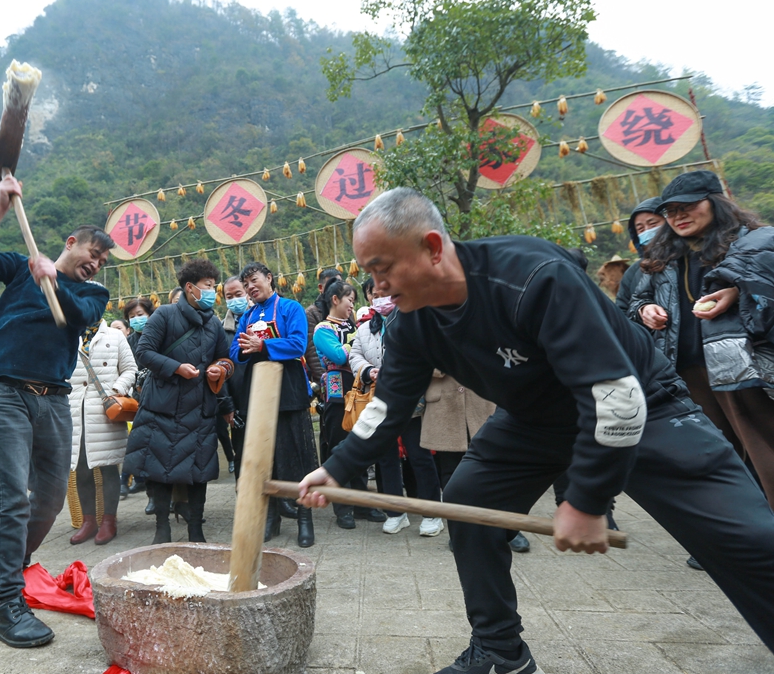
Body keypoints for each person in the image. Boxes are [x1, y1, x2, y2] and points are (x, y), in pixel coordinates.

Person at [298, 187, 774, 673]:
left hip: (644, 405)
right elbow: (387, 407)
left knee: (750, 541)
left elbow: (616, 398)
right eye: (369, 273)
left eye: (383, 268)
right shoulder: (411, 323)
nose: (376, 286)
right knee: (469, 505)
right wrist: (336, 469)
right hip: (534, 419)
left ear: (433, 247)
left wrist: (587, 500)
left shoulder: (532, 277)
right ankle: (501, 654)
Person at [0, 174, 112, 648]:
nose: (96, 263)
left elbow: (80, 317)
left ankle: (11, 562)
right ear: (72, 243)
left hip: (54, 399)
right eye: (93, 253)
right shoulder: (23, 268)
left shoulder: (93, 293)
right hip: (3, 393)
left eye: (103, 261)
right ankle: (5, 602)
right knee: (9, 495)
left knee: (48, 498)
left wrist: (55, 281)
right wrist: (2, 207)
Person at [630, 170, 774, 509]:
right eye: (670, 211)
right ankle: (744, 533)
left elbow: (764, 283)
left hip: (742, 367)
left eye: (688, 207)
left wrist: (738, 291)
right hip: (685, 372)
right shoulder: (663, 254)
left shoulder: (754, 241)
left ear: (716, 202)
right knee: (717, 459)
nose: (678, 217)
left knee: (763, 448)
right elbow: (636, 301)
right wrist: (646, 310)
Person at [125, 259, 234, 545]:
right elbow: (144, 352)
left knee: (199, 472)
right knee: (159, 469)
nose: (213, 292)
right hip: (162, 405)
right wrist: (176, 367)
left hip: (200, 408)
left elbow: (226, 359)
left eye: (214, 286)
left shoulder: (214, 324)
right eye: (208, 286)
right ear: (190, 288)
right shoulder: (164, 315)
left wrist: (219, 369)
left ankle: (195, 529)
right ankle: (162, 528)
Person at [231, 262, 318, 548]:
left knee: (298, 455)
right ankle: (272, 518)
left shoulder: (291, 308)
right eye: (246, 285)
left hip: (290, 388)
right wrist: (247, 348)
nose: (251, 288)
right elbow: (235, 352)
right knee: (265, 458)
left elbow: (297, 344)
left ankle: (305, 520)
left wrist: (263, 345)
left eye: (254, 281)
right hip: (258, 391)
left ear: (269, 278)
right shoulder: (246, 316)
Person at [350, 280, 444, 537]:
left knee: (420, 456)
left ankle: (432, 513)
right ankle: (395, 512)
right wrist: (370, 371)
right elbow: (354, 356)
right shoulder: (365, 329)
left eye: (385, 293)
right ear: (369, 298)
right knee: (386, 458)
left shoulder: (414, 320)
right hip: (378, 401)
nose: (380, 298)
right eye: (375, 295)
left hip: (412, 401)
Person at [313, 277, 389, 529]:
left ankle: (362, 504)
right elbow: (337, 354)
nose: (352, 306)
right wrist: (355, 345)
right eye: (350, 300)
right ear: (335, 299)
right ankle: (342, 507)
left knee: (359, 443)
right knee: (337, 443)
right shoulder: (322, 329)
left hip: (359, 388)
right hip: (336, 390)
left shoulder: (356, 326)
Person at [68, 319, 137, 545]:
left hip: (105, 409)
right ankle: (88, 522)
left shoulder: (115, 336)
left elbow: (130, 369)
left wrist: (115, 390)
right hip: (75, 409)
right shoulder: (68, 333)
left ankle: (109, 521)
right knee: (80, 467)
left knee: (108, 466)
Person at [122, 297, 154, 505]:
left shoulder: (161, 334)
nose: (136, 320)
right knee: (138, 444)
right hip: (139, 401)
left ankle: (157, 495)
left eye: (140, 315)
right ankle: (133, 481)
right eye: (132, 317)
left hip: (160, 398)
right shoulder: (129, 341)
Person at [221, 276, 250, 477]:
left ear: (248, 293)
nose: (234, 299)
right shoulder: (222, 330)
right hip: (239, 402)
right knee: (242, 452)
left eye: (238, 294)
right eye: (229, 296)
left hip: (263, 396)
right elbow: (220, 371)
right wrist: (227, 405)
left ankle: (276, 503)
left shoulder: (263, 321)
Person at [615, 197, 663, 314]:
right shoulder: (634, 272)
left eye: (652, 224)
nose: (647, 231)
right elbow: (622, 311)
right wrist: (642, 312)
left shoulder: (690, 260)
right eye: (640, 229)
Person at [304, 268, 344, 401]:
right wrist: (322, 379)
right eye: (331, 285)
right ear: (321, 288)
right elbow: (311, 351)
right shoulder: (312, 313)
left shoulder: (344, 309)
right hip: (329, 376)